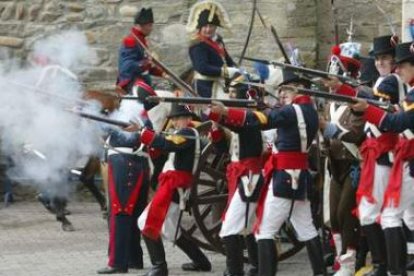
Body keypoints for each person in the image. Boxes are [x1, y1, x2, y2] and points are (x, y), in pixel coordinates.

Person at [210, 71, 325, 276]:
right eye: (281, 90)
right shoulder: (308, 110)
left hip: (285, 176)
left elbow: (262, 119)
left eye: (286, 89)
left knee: (264, 230)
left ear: (299, 88)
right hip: (297, 175)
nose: (281, 94)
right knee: (306, 228)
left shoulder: (293, 111)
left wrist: (226, 111)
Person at [323, 35, 404, 276]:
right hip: (374, 153)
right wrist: (342, 89)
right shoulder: (384, 81)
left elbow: (372, 101)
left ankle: (387, 266)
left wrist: (343, 88)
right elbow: (369, 98)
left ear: (395, 62)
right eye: (378, 59)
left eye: (385, 58)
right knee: (375, 213)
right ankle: (383, 265)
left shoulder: (389, 82)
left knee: (386, 215)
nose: (380, 63)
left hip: (383, 153)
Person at [351, 40, 414, 276]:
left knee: (390, 215)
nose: (398, 70)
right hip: (405, 158)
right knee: (392, 214)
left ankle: (393, 270)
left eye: (403, 65)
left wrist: (367, 109)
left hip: (408, 159)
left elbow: (397, 123)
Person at [138, 104, 211, 276]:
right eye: (175, 119)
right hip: (174, 186)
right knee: (171, 231)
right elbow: (166, 144)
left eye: (179, 118)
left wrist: (143, 133)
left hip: (174, 187)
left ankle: (159, 267)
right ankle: (202, 262)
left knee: (144, 222)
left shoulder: (186, 134)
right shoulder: (184, 134)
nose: (176, 122)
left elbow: (169, 144)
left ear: (188, 119)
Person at [209, 73, 264, 276]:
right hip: (239, 174)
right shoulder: (238, 119)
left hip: (249, 176)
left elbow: (239, 127)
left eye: (234, 94)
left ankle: (235, 272)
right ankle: (256, 267)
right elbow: (223, 150)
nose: (230, 97)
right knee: (247, 225)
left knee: (231, 227)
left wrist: (216, 114)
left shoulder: (249, 119)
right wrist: (216, 129)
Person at [320, 44, 365, 276]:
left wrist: (327, 129)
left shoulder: (356, 101)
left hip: (353, 163)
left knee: (345, 213)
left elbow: (355, 134)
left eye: (334, 78)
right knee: (334, 215)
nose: (329, 82)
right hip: (334, 164)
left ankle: (349, 263)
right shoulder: (331, 103)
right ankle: (340, 260)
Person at [116, 7, 166, 111]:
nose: (151, 28)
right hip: (131, 82)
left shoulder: (140, 40)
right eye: (149, 25)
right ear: (140, 26)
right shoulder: (130, 41)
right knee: (151, 101)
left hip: (142, 80)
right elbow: (127, 67)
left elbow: (146, 67)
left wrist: (162, 74)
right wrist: (147, 62)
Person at [187, 0, 239, 99]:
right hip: (204, 87)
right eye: (205, 26)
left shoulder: (218, 40)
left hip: (220, 83)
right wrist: (226, 72)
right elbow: (202, 68)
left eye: (211, 26)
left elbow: (227, 59)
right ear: (200, 27)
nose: (208, 29)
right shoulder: (198, 44)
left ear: (215, 27)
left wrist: (237, 70)